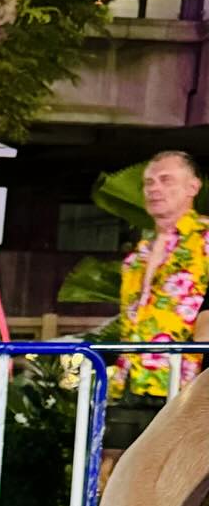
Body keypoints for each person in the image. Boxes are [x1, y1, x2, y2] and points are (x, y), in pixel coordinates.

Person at [105, 150, 206, 474]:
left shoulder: (205, 240)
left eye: (166, 180)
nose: (154, 189)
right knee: (115, 476)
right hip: (130, 380)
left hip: (183, 384)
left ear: (193, 186)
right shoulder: (140, 252)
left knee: (173, 482)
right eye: (149, 182)